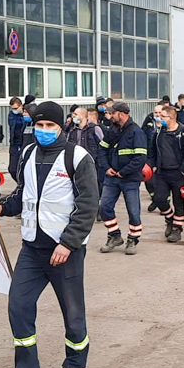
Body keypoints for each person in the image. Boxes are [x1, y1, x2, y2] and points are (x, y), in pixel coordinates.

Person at [0, 101, 99, 368]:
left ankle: (74, 366)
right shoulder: (28, 154)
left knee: (72, 311)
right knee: (19, 306)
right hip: (32, 249)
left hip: (65, 250)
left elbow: (88, 205)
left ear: (61, 126)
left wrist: (68, 242)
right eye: (39, 125)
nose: (43, 130)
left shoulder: (78, 157)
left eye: (50, 125)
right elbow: (25, 194)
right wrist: (3, 206)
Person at [98, 102, 148, 255]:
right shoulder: (112, 130)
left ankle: (133, 239)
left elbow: (140, 158)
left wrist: (123, 172)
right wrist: (107, 168)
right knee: (104, 207)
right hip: (112, 178)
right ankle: (114, 236)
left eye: (112, 113)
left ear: (121, 113)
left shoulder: (136, 132)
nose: (110, 116)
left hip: (130, 179)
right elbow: (102, 149)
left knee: (133, 211)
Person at [148, 106, 184, 243]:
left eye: (163, 116)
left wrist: (183, 170)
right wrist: (153, 165)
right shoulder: (159, 132)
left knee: (178, 201)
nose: (159, 119)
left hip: (178, 173)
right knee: (159, 199)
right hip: (162, 172)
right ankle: (169, 218)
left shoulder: (183, 132)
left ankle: (177, 228)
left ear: (171, 118)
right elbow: (152, 150)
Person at [68, 107, 104, 210]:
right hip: (75, 164)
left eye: (75, 114)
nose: (73, 116)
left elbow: (103, 145)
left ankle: (97, 209)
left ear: (83, 116)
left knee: (94, 187)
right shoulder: (72, 130)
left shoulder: (95, 129)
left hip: (93, 163)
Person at [143, 104, 164, 212]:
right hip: (149, 155)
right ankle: (154, 198)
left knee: (161, 181)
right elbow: (142, 134)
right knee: (148, 179)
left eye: (160, 113)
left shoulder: (167, 124)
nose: (158, 115)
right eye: (156, 113)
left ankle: (162, 203)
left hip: (162, 156)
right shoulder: (149, 121)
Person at [8, 97, 25, 182]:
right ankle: (20, 183)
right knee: (12, 169)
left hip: (24, 143)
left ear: (21, 106)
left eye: (15, 108)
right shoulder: (11, 115)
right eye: (12, 108)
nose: (14, 110)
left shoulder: (26, 115)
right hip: (14, 143)